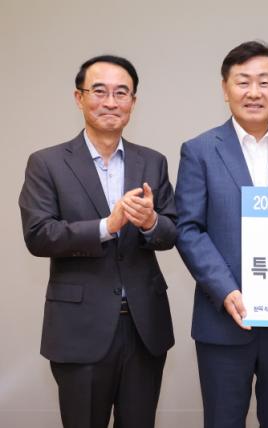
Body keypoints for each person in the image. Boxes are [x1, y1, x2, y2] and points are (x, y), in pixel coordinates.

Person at [18, 55, 177, 428]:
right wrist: (108, 225)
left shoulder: (152, 162)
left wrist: (151, 222)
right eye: (99, 91)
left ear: (133, 102)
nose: (111, 102)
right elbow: (38, 235)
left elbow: (171, 231)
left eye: (121, 93)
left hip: (144, 328)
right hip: (79, 328)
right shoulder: (47, 163)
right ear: (79, 98)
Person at [175, 41, 268, 428]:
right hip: (223, 320)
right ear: (225, 88)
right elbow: (188, 228)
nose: (254, 92)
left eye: (264, 82)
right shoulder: (199, 150)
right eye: (243, 82)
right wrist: (226, 290)